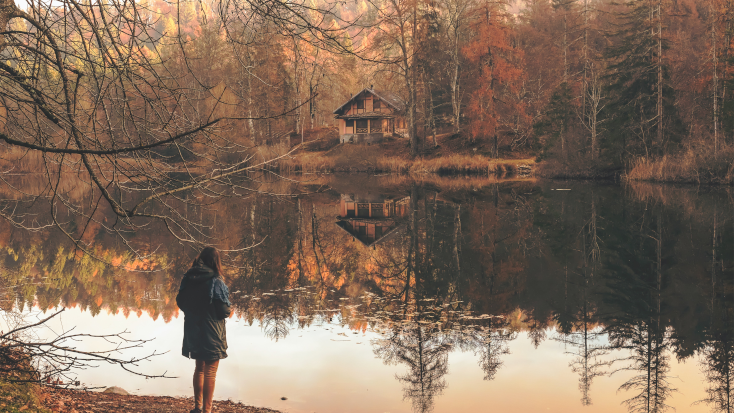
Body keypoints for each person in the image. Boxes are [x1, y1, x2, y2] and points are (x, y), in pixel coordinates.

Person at [176, 247, 231, 413]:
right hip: (212, 332)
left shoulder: (189, 278)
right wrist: (230, 310)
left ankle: (197, 408)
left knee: (199, 368)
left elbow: (180, 302)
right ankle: (207, 411)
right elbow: (224, 311)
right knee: (210, 372)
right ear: (216, 262)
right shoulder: (216, 281)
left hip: (193, 329)